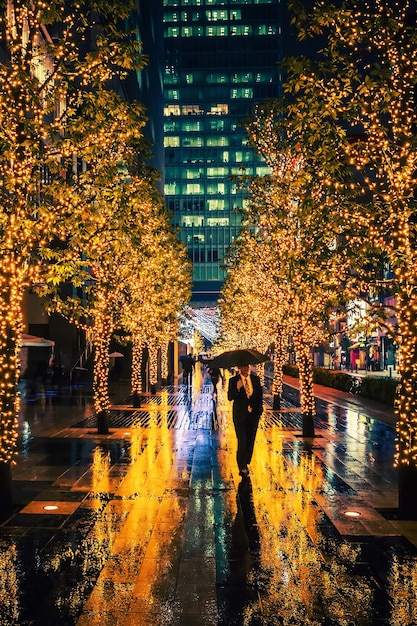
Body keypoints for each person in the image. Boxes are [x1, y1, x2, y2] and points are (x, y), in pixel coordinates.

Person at [227, 364, 263, 478]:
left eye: (247, 365)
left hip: (253, 415)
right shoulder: (233, 381)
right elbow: (230, 397)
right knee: (242, 440)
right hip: (240, 415)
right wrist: (237, 388)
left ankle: (246, 461)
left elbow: (259, 396)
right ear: (239, 367)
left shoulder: (255, 379)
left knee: (250, 440)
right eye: (244, 366)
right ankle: (242, 466)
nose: (246, 368)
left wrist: (258, 409)